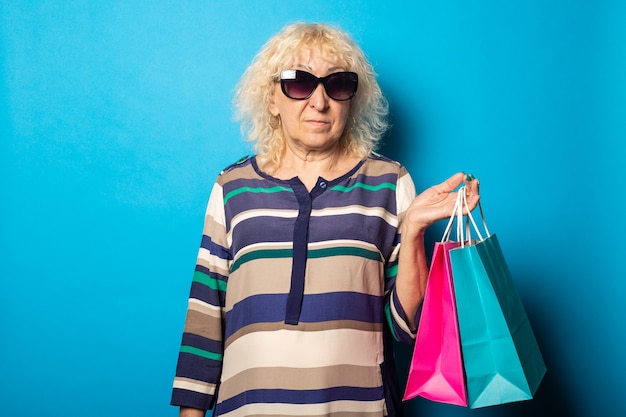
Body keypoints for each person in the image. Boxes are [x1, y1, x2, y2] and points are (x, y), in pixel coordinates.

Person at [171, 22, 480, 417]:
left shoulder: (389, 183)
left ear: (352, 100)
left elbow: (409, 329)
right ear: (271, 99)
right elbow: (205, 313)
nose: (319, 102)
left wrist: (416, 228)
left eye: (337, 85)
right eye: (299, 84)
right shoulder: (232, 187)